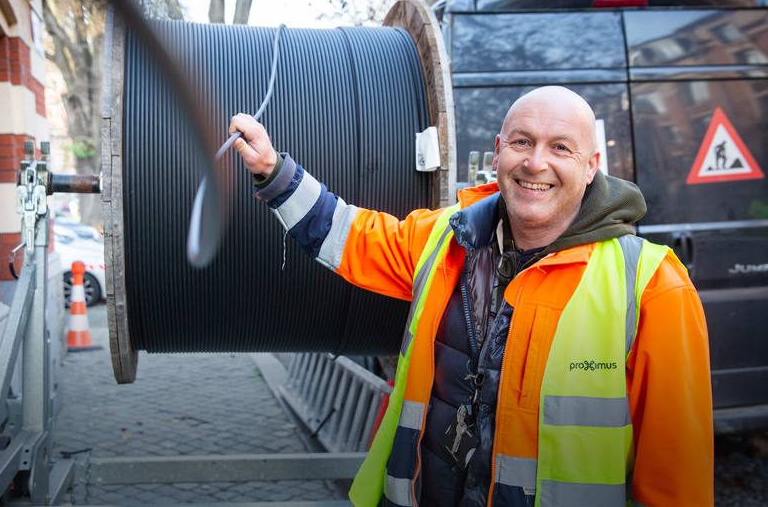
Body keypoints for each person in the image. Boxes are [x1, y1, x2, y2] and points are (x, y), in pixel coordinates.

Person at [229, 86, 713, 507]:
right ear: (499, 149)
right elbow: (351, 235)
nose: (535, 162)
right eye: (522, 142)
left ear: (591, 167)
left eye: (560, 148)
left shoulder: (652, 287)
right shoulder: (446, 239)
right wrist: (274, 172)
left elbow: (678, 477)